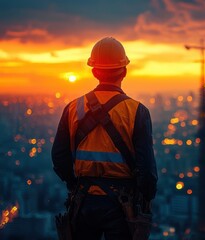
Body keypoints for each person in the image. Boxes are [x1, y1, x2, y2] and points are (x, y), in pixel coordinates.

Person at [52, 37, 158, 240]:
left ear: (93, 71)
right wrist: (145, 199)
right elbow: (146, 168)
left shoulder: (73, 108)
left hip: (83, 200)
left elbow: (59, 156)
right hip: (122, 204)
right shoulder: (136, 111)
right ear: (124, 71)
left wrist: (74, 184)